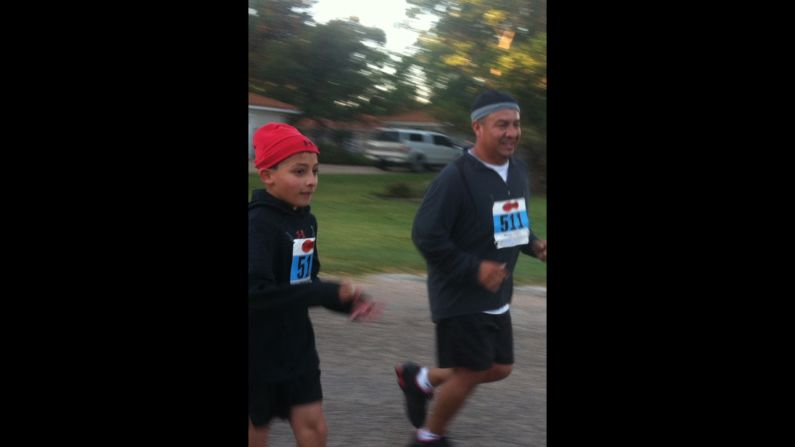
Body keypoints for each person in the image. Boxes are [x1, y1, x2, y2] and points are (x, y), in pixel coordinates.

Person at [395, 89, 547, 446]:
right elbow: (426, 235)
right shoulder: (456, 178)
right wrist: (474, 268)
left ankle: (421, 380)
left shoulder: (517, 169)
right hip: (460, 293)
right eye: (501, 125)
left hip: (496, 292)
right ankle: (428, 437)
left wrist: (534, 244)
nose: (511, 132)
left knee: (499, 367)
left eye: (516, 124)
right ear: (478, 127)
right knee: (471, 371)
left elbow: (512, 224)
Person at [249, 123, 381, 447]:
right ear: (268, 175)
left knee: (315, 432)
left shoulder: (306, 220)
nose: (311, 180)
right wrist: (322, 292)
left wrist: (344, 300)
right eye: (299, 171)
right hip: (256, 354)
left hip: (297, 348)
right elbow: (255, 296)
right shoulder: (257, 224)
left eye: (315, 171)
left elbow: (306, 281)